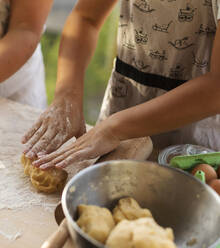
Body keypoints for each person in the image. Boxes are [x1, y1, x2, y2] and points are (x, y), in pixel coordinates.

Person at [22, 0, 220, 169]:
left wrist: (114, 129)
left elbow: (216, 88)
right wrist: (67, 95)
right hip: (122, 108)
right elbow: (86, 19)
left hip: (193, 136)